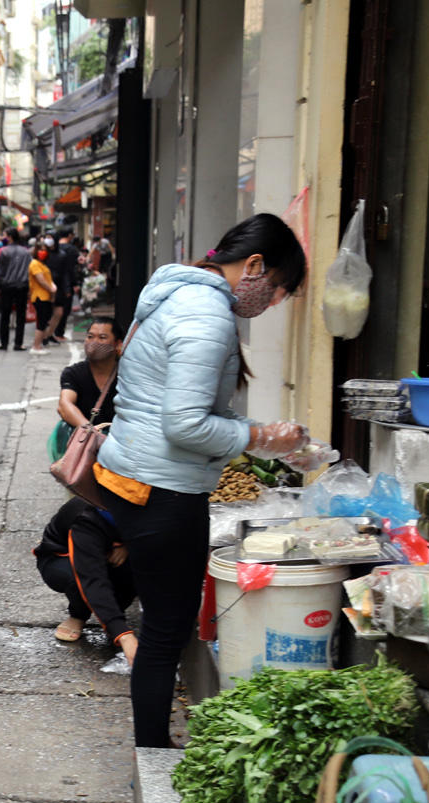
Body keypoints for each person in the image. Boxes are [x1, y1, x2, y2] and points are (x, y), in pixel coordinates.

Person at [95, 212, 310, 749]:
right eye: (278, 288)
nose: (274, 302)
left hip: (140, 478)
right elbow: (185, 423)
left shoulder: (177, 296)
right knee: (167, 630)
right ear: (255, 267)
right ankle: (153, 751)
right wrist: (262, 436)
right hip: (162, 490)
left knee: (164, 625)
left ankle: (152, 744)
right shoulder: (207, 315)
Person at [34, 496, 139, 658]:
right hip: (61, 558)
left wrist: (127, 545)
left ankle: (113, 616)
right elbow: (92, 578)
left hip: (110, 551)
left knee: (136, 565)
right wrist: (124, 635)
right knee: (78, 580)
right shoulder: (86, 517)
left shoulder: (146, 505)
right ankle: (78, 614)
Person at [57, 317, 123, 431]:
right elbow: (64, 405)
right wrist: (90, 431)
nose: (94, 342)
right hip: (85, 441)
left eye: (102, 337)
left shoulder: (128, 375)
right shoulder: (73, 373)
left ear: (117, 344)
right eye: (90, 337)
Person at [0, 228, 31, 350]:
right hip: (22, 286)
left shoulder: (4, 251)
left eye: (4, 235)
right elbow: (29, 270)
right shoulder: (26, 252)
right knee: (21, 316)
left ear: (9, 237)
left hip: (7, 286)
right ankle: (18, 343)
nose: (2, 237)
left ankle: (4, 343)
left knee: (5, 315)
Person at [48, 227, 80, 343]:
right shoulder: (71, 250)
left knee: (55, 311)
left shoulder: (55, 251)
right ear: (70, 235)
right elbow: (70, 270)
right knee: (61, 310)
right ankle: (55, 333)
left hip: (51, 284)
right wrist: (73, 284)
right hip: (60, 285)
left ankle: (50, 333)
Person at [27, 239, 57, 354]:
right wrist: (52, 289)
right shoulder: (35, 264)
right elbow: (41, 281)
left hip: (46, 297)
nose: (42, 252)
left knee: (44, 321)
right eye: (40, 250)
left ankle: (39, 345)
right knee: (41, 322)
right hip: (39, 296)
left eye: (45, 250)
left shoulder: (42, 264)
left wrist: (52, 288)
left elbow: (48, 280)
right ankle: (36, 346)